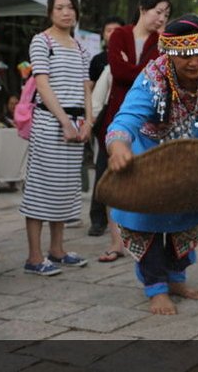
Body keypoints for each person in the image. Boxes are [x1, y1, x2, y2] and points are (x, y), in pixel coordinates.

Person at [106, 15, 198, 315]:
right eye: (185, 55)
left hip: (192, 159)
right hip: (149, 157)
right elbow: (126, 119)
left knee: (186, 221)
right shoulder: (152, 77)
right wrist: (119, 145)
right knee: (146, 224)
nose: (194, 62)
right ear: (170, 53)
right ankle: (156, 288)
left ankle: (176, 278)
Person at [19, 0, 93, 276]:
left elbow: (86, 88)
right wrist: (63, 120)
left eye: (70, 7)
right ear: (50, 11)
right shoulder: (42, 41)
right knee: (41, 187)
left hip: (76, 124)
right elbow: (42, 84)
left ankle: (57, 250)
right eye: (60, 7)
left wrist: (88, 120)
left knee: (65, 187)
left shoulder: (82, 47)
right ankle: (34, 257)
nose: (66, 12)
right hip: (50, 122)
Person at [98, 0, 170, 257]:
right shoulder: (120, 35)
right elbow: (118, 70)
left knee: (143, 175)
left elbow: (159, 75)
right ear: (142, 8)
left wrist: (138, 69)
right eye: (158, 11)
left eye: (166, 14)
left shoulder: (161, 41)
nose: (161, 18)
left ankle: (142, 233)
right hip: (117, 115)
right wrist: (144, 71)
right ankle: (116, 239)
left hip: (149, 119)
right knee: (114, 173)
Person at [86, 15, 124, 238]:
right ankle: (97, 219)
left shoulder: (131, 57)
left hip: (128, 122)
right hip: (105, 122)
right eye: (109, 30)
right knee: (102, 168)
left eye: (117, 30)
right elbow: (91, 92)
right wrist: (90, 120)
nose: (113, 34)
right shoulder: (99, 60)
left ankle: (125, 220)